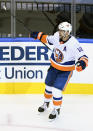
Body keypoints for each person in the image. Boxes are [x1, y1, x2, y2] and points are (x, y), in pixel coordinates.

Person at [30, 22, 88, 120]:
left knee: (56, 90)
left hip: (65, 71)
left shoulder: (73, 43)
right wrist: (39, 35)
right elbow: (48, 39)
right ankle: (46, 103)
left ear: (67, 32)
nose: (59, 32)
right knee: (48, 87)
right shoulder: (57, 36)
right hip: (53, 67)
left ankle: (56, 109)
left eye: (62, 30)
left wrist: (81, 64)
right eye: (59, 30)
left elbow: (83, 56)